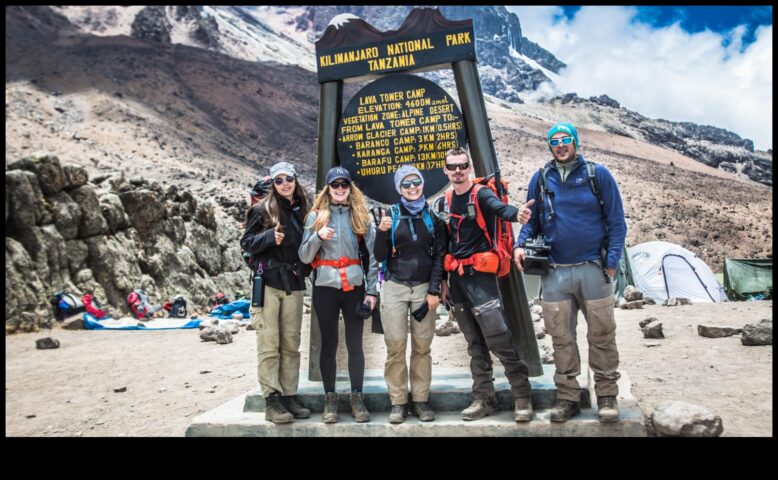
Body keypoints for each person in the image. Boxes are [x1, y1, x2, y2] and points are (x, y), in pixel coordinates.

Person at [514, 122, 627, 423]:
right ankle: (567, 397)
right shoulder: (541, 178)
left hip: (593, 269)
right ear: (549, 146)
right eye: (554, 141)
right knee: (560, 338)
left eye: (565, 139)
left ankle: (606, 396)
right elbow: (531, 221)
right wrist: (519, 244)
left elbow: (617, 222)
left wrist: (612, 263)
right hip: (555, 273)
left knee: (602, 335)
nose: (560, 145)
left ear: (576, 142)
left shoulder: (597, 175)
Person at [434, 147, 536, 422]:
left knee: (498, 337)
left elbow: (499, 209)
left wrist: (517, 215)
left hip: (481, 277)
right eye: (452, 166)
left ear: (469, 168)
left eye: (462, 166)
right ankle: (483, 398)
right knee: (474, 341)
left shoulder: (482, 194)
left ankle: (522, 396)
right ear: (445, 170)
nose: (457, 171)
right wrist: (443, 282)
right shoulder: (444, 202)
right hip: (457, 280)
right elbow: (444, 243)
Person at [298, 166, 379, 424]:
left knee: (355, 345)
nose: (341, 189)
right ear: (328, 188)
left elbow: (374, 257)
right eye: (336, 185)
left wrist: (372, 292)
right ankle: (330, 399)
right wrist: (317, 237)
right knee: (329, 345)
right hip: (325, 288)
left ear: (350, 187)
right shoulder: (316, 217)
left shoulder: (361, 216)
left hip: (354, 287)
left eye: (345, 184)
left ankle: (357, 397)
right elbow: (304, 256)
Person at [373, 165, 446, 424]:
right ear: (398, 188)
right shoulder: (390, 216)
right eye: (406, 184)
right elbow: (379, 256)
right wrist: (382, 233)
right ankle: (398, 401)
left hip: (424, 288)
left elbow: (440, 257)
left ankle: (421, 400)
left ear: (423, 184)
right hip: (394, 287)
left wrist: (435, 290)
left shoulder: (434, 219)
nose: (412, 187)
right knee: (395, 346)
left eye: (416, 182)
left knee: (422, 347)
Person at [240, 161, 312, 424]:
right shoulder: (261, 210)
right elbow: (246, 243)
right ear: (273, 184)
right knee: (269, 344)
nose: (284, 184)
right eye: (279, 180)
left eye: (288, 179)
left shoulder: (302, 210)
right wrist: (269, 237)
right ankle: (272, 399)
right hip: (268, 282)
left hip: (293, 284)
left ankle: (290, 395)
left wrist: (304, 270)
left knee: (291, 344)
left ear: (295, 180)